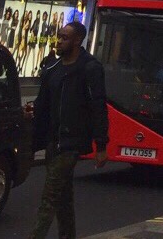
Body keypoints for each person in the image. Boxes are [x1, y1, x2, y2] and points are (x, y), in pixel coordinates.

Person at [28, 21, 109, 239]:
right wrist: (34, 142)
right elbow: (42, 106)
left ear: (77, 41)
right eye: (59, 36)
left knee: (49, 197)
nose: (59, 41)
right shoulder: (52, 69)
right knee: (64, 198)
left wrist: (101, 145)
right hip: (52, 140)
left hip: (71, 142)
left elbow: (98, 106)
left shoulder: (90, 68)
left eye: (64, 37)